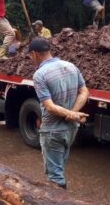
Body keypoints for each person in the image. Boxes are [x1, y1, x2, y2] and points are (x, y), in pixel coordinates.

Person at [29, 37, 89, 189]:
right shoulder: (71, 66)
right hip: (71, 129)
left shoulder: (40, 74)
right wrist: (73, 113)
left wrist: (72, 114)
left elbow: (49, 107)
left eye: (30, 56)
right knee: (59, 166)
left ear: (35, 54)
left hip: (53, 131)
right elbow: (84, 91)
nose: (31, 59)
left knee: (55, 177)